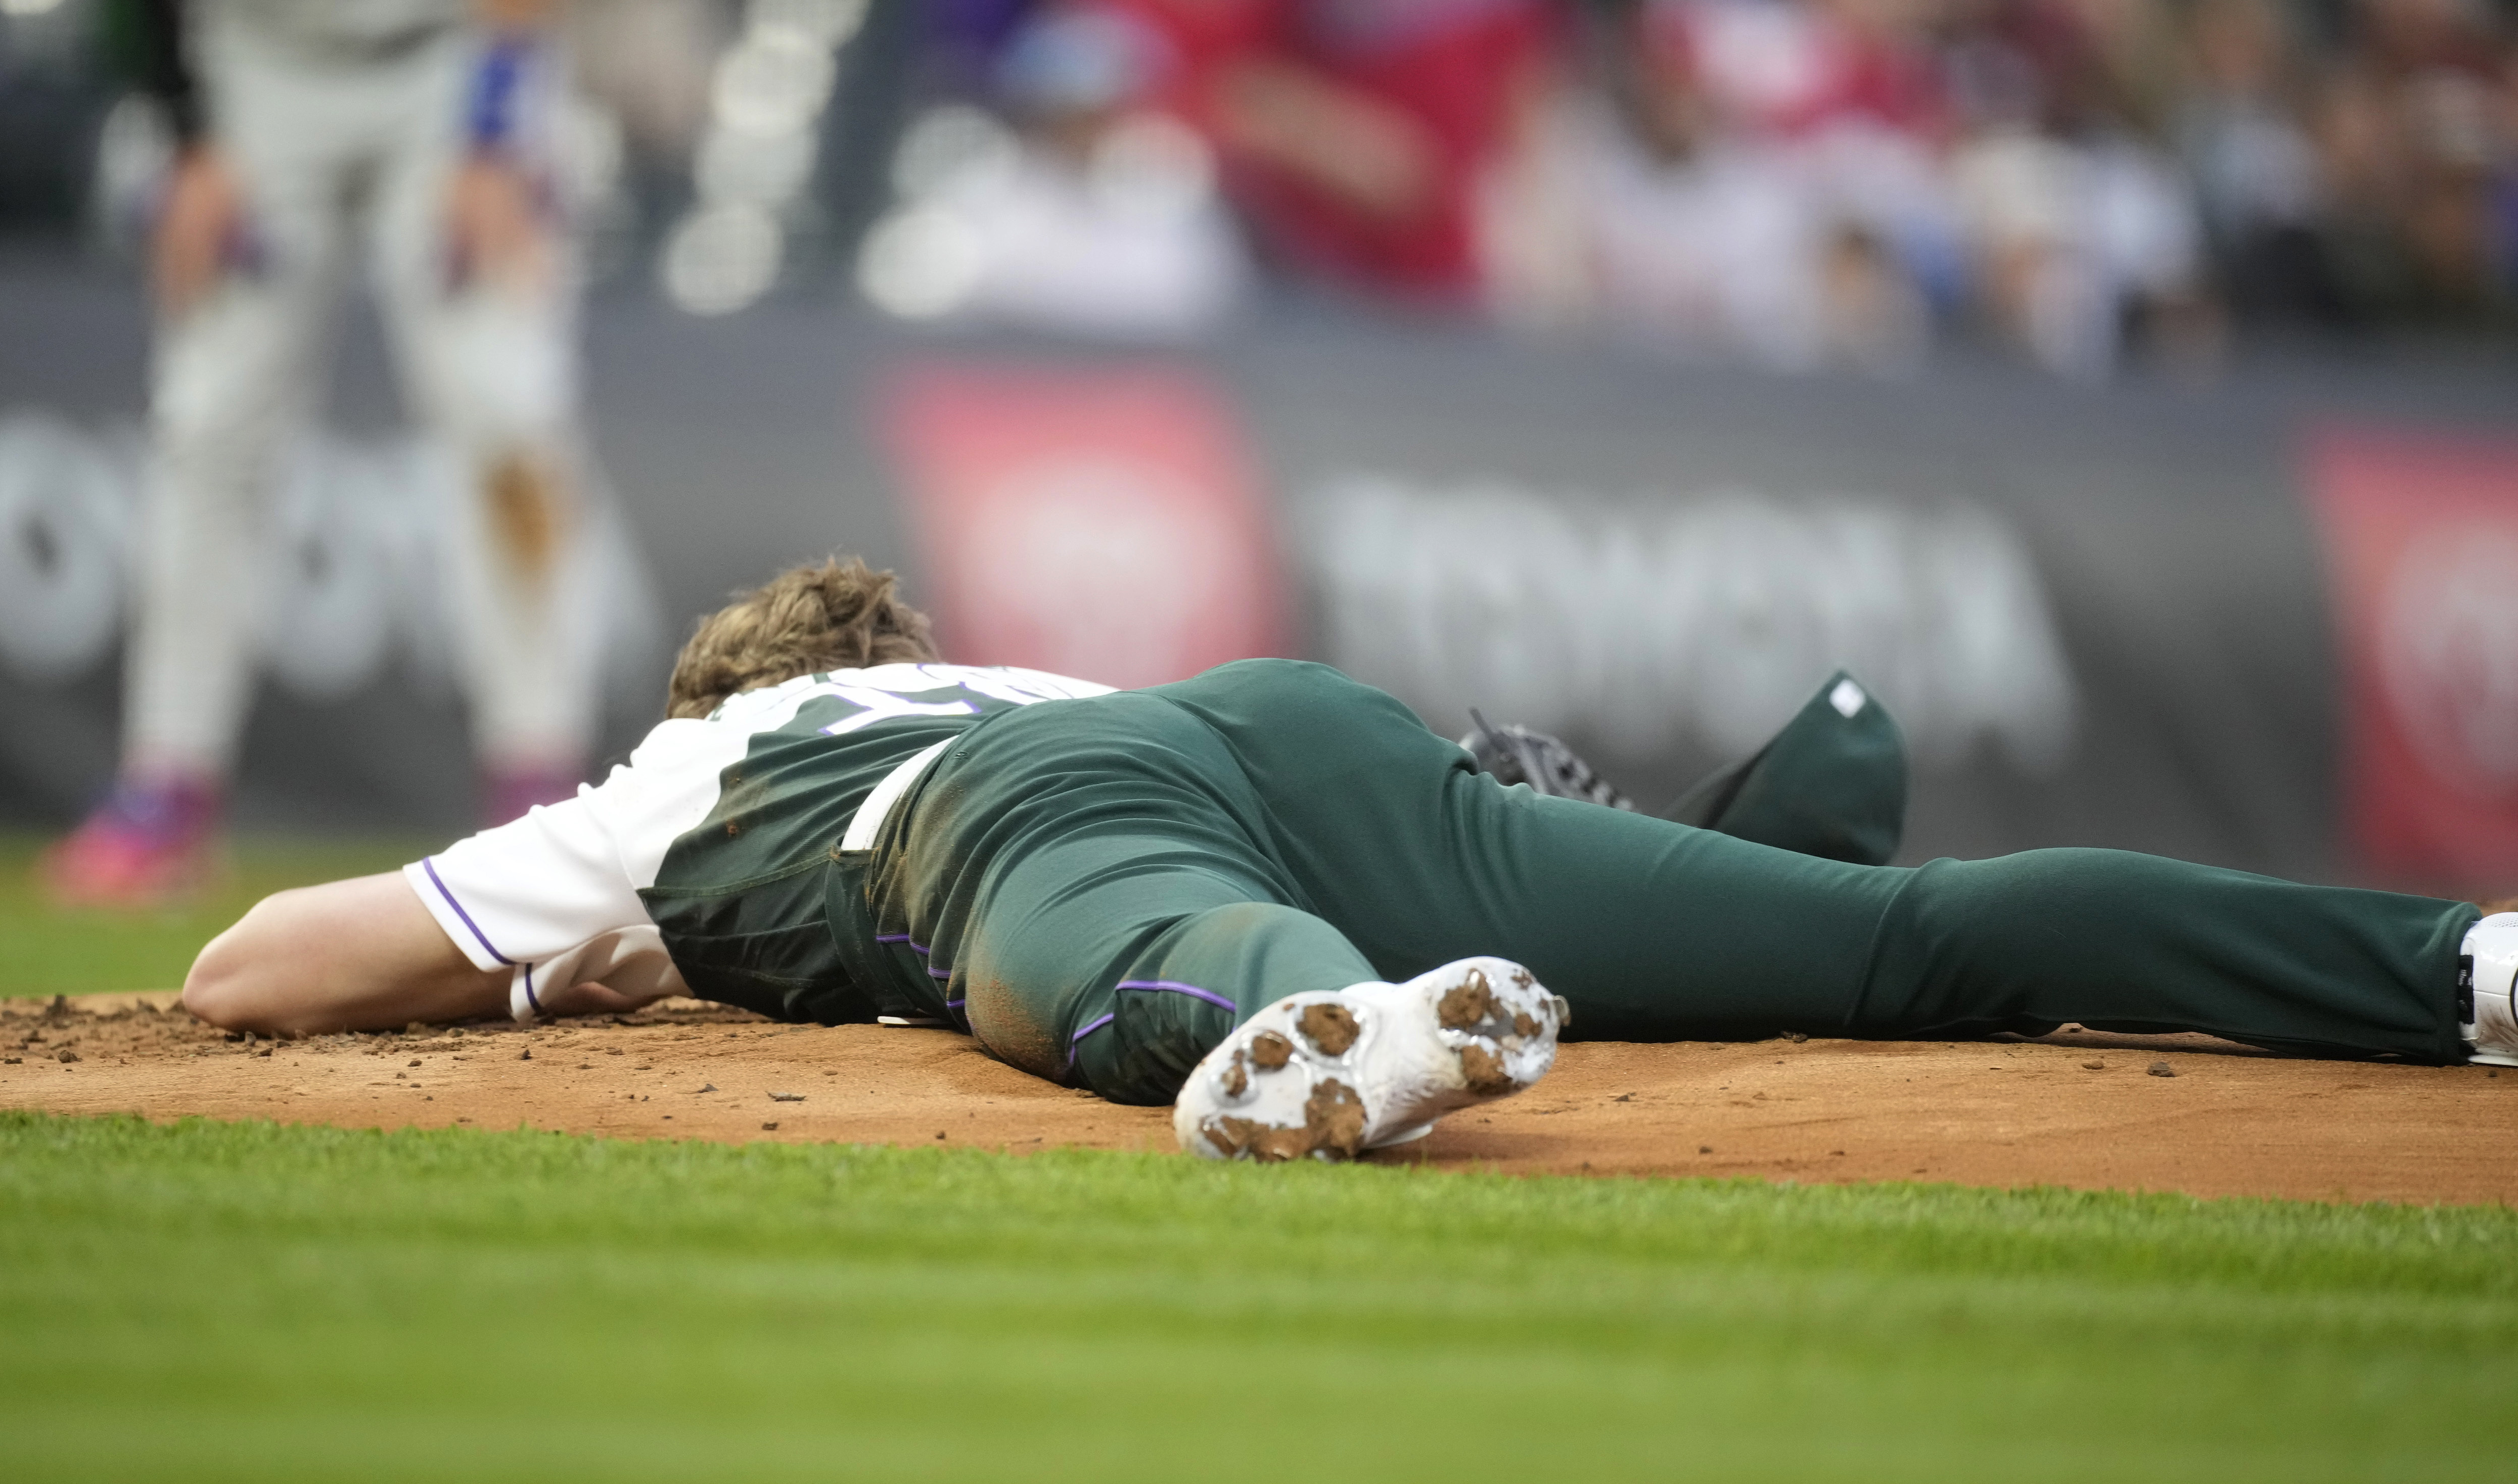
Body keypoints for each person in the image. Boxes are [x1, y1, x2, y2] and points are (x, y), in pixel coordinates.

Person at [182, 558, 2516, 1164]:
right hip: (1274, 717)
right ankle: (2461, 960)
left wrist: (574, 945)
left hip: (1029, 829)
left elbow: (252, 974)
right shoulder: (991, 670)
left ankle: (1333, 1042)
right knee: (1893, 944)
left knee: (1154, 949)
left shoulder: (677, 783)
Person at [43, 0, 604, 904]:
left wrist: (492, 133)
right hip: (251, 63)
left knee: (508, 412)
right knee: (207, 419)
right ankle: (165, 786)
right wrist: (188, 134)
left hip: (453, 49)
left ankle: (540, 784)